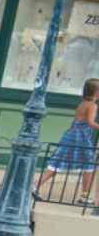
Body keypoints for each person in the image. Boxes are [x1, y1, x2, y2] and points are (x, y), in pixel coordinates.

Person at [35, 77, 99, 205]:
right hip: (80, 137)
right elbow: (91, 122)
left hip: (73, 134)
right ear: (95, 92)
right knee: (88, 165)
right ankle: (84, 196)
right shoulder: (92, 105)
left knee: (59, 163)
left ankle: (35, 186)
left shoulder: (83, 104)